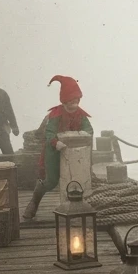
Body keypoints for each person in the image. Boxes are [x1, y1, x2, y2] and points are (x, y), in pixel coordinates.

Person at [22, 76, 93, 220]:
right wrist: (56, 143)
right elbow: (49, 134)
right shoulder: (56, 114)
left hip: (74, 154)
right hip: (54, 152)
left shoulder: (81, 115)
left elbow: (89, 130)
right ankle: (33, 203)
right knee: (51, 181)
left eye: (77, 101)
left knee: (77, 180)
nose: (74, 104)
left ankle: (76, 209)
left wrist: (84, 137)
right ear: (65, 100)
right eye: (71, 101)